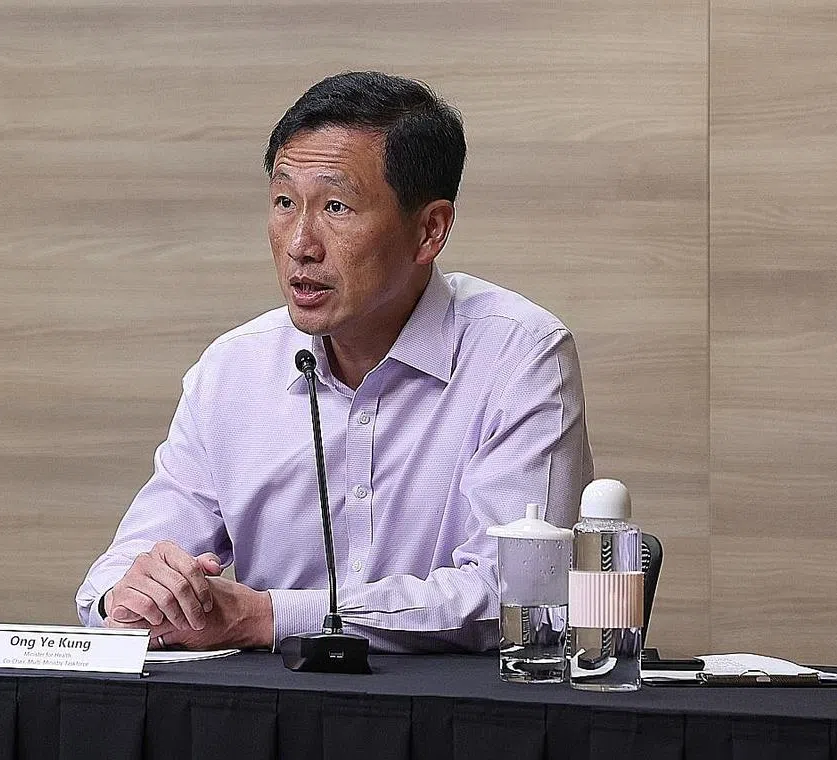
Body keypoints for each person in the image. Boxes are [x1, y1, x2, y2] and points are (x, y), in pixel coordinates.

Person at [76, 71, 593, 653]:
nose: (300, 244)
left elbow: (521, 597)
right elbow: (114, 577)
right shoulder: (233, 370)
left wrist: (267, 617)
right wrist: (133, 595)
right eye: (284, 202)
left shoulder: (520, 355)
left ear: (429, 230)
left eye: (336, 206)